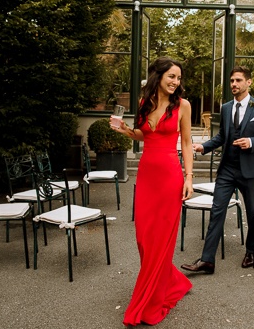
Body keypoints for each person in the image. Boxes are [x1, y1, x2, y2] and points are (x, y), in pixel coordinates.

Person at [110, 57, 194, 326]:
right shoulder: (143, 104)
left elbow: (188, 144)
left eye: (178, 78)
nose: (175, 82)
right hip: (147, 177)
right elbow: (144, 135)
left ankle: (151, 302)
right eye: (171, 76)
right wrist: (125, 130)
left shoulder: (183, 106)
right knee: (145, 240)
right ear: (157, 77)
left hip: (171, 177)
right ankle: (172, 280)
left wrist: (189, 178)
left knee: (162, 241)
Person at [181, 66, 254, 274]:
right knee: (217, 211)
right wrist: (204, 147)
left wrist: (252, 141)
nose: (234, 84)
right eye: (232, 81)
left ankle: (251, 250)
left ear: (248, 82)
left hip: (250, 171)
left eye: (238, 80)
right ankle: (207, 260)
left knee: (252, 213)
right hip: (227, 169)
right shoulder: (225, 108)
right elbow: (222, 136)